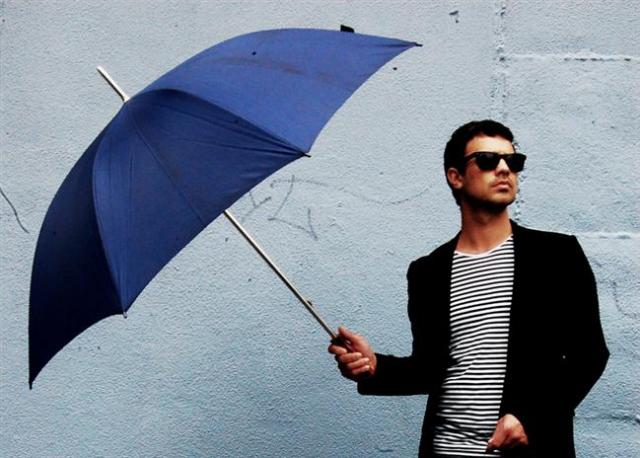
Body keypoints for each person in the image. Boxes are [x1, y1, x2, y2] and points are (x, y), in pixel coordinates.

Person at [328, 120, 609, 458]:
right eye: (488, 160)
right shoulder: (428, 271)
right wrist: (375, 366)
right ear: (456, 176)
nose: (504, 169)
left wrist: (531, 418)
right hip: (446, 449)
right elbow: (430, 369)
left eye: (513, 161)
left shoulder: (557, 256)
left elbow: (589, 356)